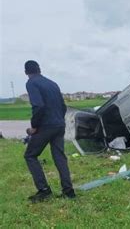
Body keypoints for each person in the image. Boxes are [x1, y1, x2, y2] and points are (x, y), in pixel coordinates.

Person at [23, 60, 75, 203]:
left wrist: (34, 126)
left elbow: (38, 106)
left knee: (30, 155)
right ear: (39, 69)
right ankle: (68, 191)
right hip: (59, 124)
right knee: (60, 157)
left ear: (26, 72)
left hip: (46, 126)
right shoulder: (52, 83)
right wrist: (57, 119)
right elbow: (63, 106)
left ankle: (44, 191)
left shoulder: (31, 83)